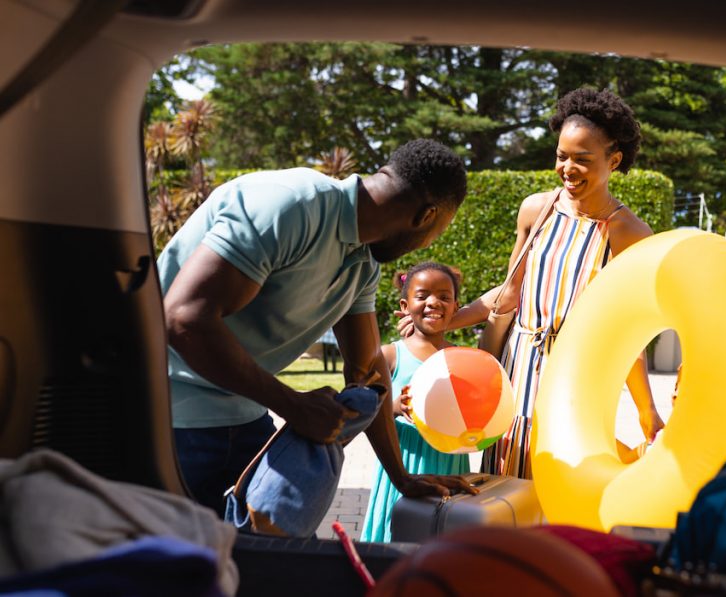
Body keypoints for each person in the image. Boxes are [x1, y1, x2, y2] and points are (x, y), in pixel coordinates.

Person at [158, 139, 475, 516]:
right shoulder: (290, 204)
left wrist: (401, 476)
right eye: (437, 232)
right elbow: (183, 317)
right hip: (169, 418)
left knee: (255, 567)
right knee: (162, 567)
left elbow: (368, 368)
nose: (427, 242)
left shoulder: (362, 266)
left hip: (244, 419)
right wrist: (293, 405)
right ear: (426, 216)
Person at [410, 88, 666, 478]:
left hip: (578, 379)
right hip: (517, 371)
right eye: (562, 156)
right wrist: (449, 320)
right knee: (503, 482)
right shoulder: (536, 209)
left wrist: (648, 414)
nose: (568, 168)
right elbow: (510, 294)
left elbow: (628, 334)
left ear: (614, 160)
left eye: (583, 159)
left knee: (561, 481)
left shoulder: (629, 233)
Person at [361, 262, 470, 542]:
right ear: (405, 305)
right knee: (395, 542)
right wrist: (394, 407)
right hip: (403, 468)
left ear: (456, 307)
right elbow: (361, 411)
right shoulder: (389, 356)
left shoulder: (464, 360)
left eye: (444, 297)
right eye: (422, 296)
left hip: (449, 465)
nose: (433, 302)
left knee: (442, 545)